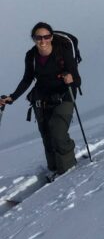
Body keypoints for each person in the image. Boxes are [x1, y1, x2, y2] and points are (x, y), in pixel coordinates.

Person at [0, 22, 80, 179]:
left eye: (46, 37)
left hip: (65, 95)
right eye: (38, 37)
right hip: (41, 98)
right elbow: (27, 79)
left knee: (57, 132)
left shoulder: (62, 52)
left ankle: (67, 169)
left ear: (51, 37)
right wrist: (12, 96)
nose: (42, 41)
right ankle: (54, 168)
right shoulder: (31, 55)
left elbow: (77, 80)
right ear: (33, 38)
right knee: (47, 135)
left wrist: (71, 79)